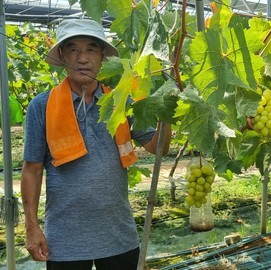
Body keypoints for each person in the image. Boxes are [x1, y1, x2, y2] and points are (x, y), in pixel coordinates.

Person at [21, 19, 171, 270]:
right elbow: (32, 170)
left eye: (91, 48)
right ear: (62, 56)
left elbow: (158, 148)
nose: (82, 58)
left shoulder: (122, 100)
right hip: (64, 240)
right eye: (73, 49)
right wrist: (31, 227)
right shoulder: (42, 106)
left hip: (118, 235)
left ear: (103, 56)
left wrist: (168, 113)